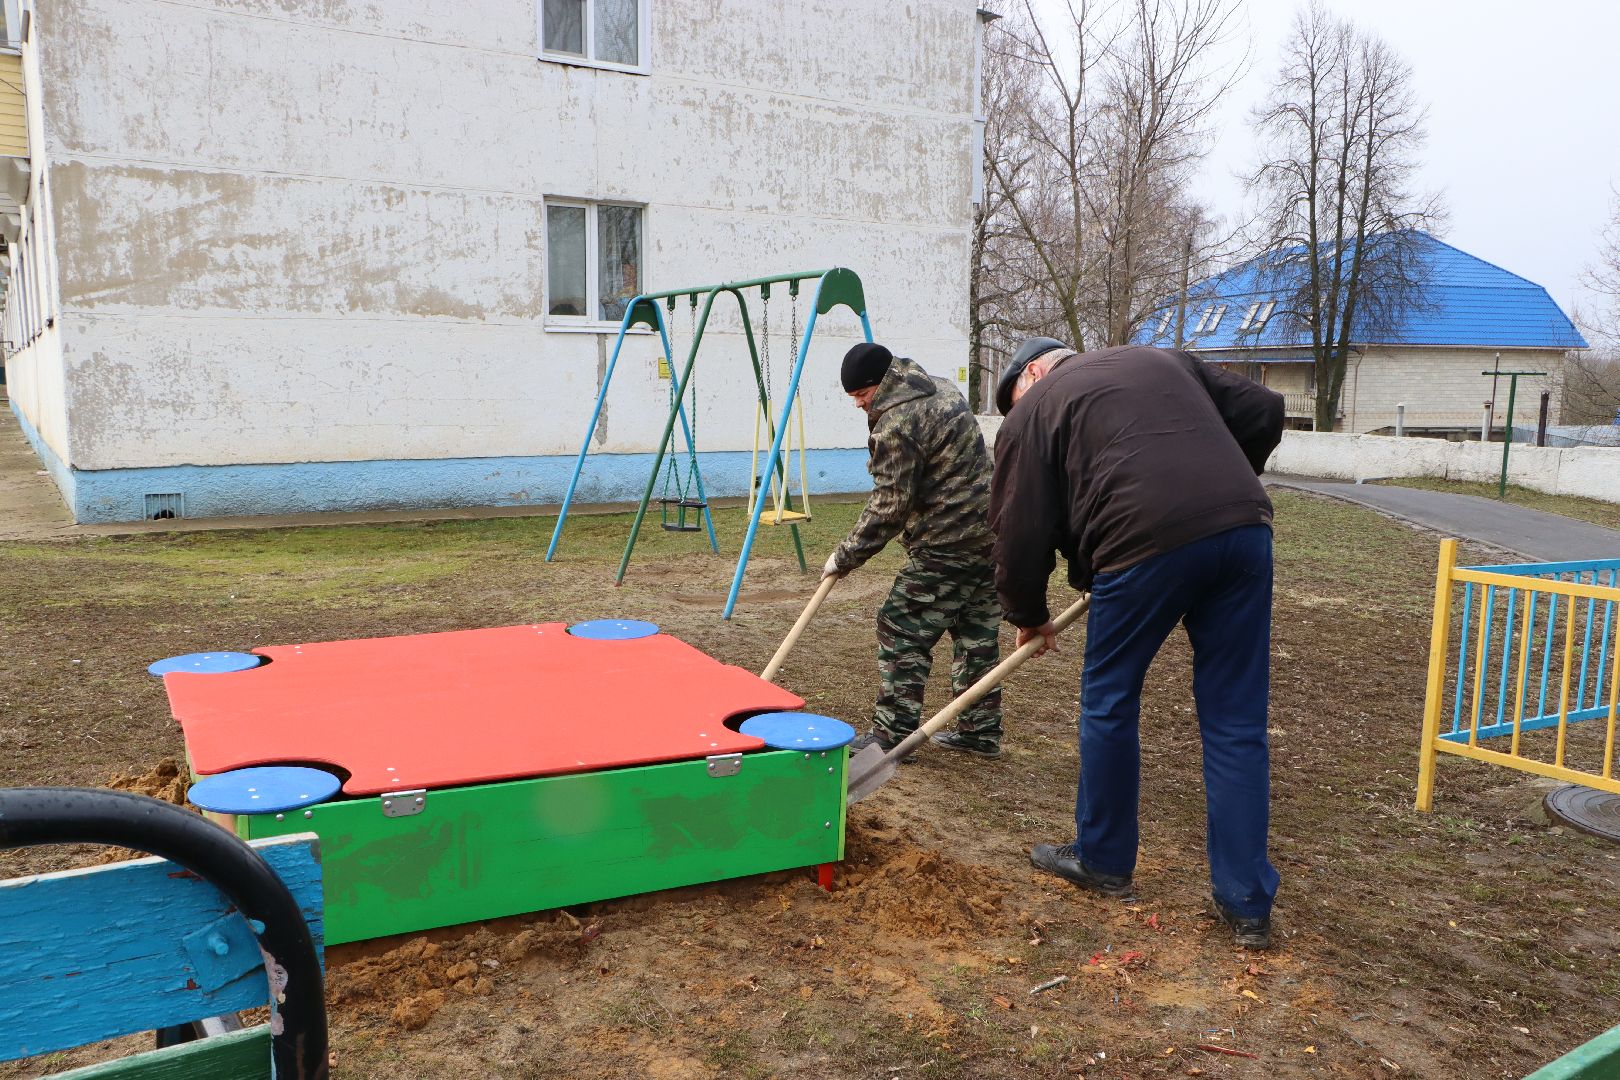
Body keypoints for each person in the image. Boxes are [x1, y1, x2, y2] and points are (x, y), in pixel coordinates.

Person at [989, 336, 1285, 949]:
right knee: (1236, 722)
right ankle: (1247, 903)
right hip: (1243, 531)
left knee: (1110, 703)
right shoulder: (1160, 358)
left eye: (1015, 392)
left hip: (1140, 544)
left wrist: (1026, 612)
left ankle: (1103, 860)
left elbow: (1019, 525)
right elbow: (1264, 410)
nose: (1019, 405)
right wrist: (1216, 493)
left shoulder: (1034, 407)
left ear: (1036, 370)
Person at [826, 342, 1004, 759]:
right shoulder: (941, 389)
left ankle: (891, 734)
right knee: (976, 633)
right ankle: (980, 731)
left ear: (878, 384)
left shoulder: (897, 422)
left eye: (861, 396)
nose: (859, 405)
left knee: (901, 624)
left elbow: (891, 503)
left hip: (946, 543)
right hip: (992, 534)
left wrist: (845, 555)